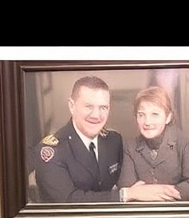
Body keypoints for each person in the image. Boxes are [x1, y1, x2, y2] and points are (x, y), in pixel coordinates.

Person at [31, 75, 175, 204]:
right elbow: (68, 201)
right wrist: (125, 195)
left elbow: (129, 180)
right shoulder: (51, 151)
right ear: (72, 106)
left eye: (103, 107)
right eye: (89, 106)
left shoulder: (113, 141)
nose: (96, 115)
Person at [119, 85, 189, 200]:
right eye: (141, 115)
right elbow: (127, 188)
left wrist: (151, 193)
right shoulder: (129, 146)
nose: (147, 122)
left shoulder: (185, 142)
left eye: (155, 114)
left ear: (168, 117)